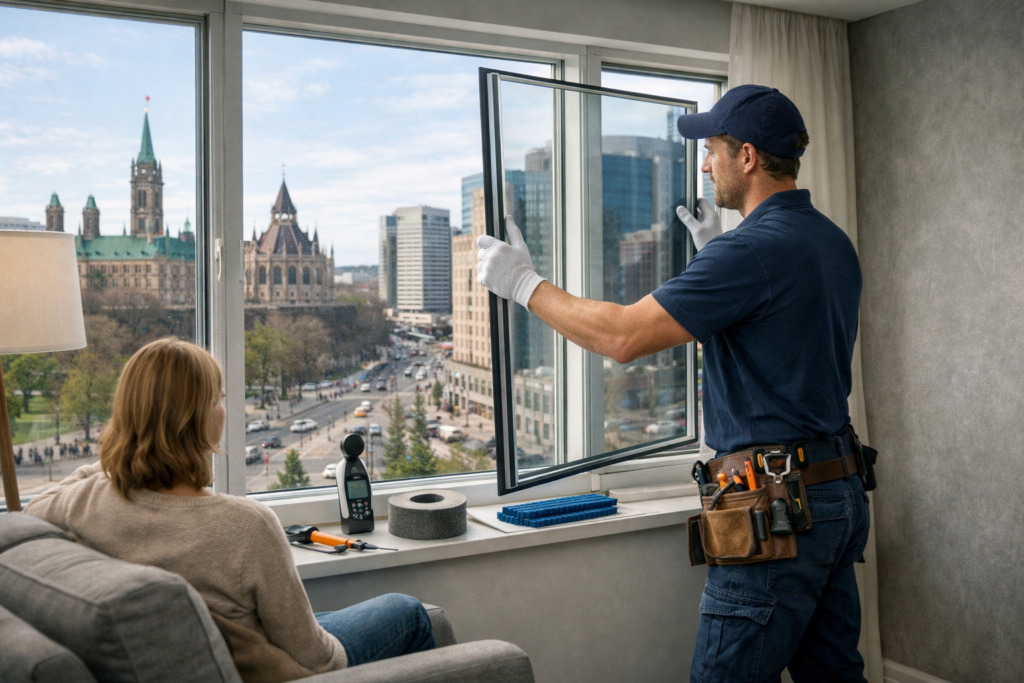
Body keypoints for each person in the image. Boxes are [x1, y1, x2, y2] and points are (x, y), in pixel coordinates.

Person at [476, 85, 870, 682]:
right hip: (837, 495)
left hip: (777, 510)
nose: (705, 164)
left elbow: (623, 337)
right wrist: (719, 252)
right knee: (835, 675)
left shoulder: (751, 253)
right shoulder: (832, 243)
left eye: (712, 149)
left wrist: (524, 283)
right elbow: (784, 345)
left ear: (749, 157)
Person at [26, 338, 434, 683]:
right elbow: (316, 660)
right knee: (410, 612)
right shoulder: (245, 525)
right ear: (201, 420)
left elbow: (36, 509)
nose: (224, 409)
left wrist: (128, 449)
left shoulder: (83, 500)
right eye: (218, 400)